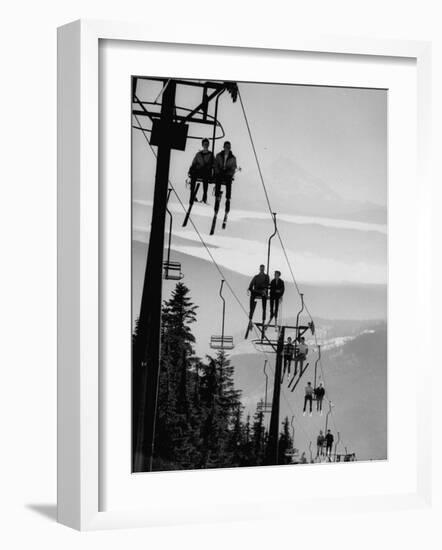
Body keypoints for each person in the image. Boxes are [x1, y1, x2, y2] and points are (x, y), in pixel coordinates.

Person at [188, 138, 214, 204]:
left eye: (207, 144)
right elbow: (193, 163)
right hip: (199, 171)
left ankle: (204, 195)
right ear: (202, 145)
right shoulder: (198, 154)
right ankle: (192, 195)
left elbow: (214, 164)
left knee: (205, 178)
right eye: (205, 144)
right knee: (193, 177)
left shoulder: (211, 155)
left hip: (206, 172)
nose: (206, 145)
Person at [214, 141, 237, 208]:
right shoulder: (218, 156)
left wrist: (229, 173)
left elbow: (233, 168)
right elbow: (215, 165)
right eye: (226, 147)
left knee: (229, 182)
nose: (227, 148)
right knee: (218, 180)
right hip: (220, 172)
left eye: (228, 147)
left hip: (227, 174)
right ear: (224, 147)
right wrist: (218, 171)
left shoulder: (233, 158)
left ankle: (228, 199)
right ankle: (217, 196)